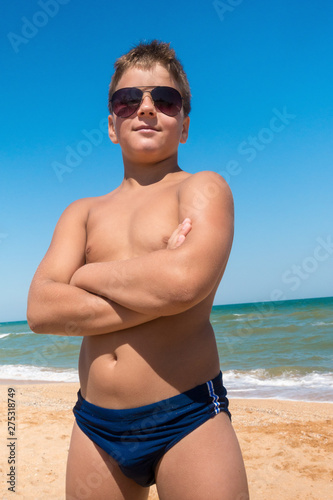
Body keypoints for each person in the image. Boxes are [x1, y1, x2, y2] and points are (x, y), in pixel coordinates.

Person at [27, 40, 249, 500]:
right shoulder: (81, 212)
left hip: (186, 415)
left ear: (184, 124)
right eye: (129, 100)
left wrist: (85, 276)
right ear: (112, 124)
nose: (146, 108)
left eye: (165, 100)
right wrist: (155, 283)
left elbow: (183, 282)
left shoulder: (203, 188)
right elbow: (42, 308)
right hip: (95, 424)